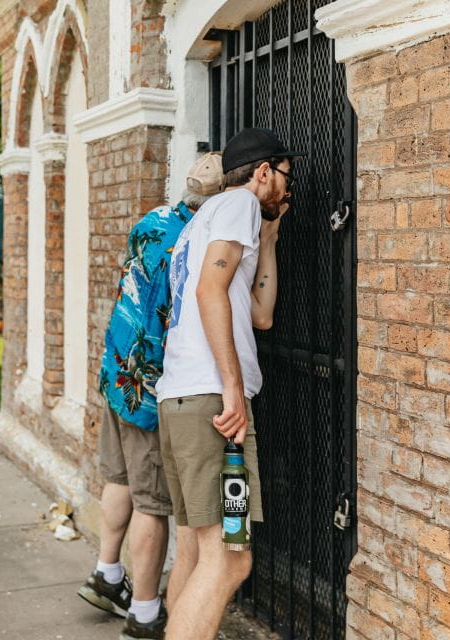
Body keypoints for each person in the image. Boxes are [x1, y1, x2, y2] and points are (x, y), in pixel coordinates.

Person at [155, 128, 302, 639]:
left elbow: (259, 315)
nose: (290, 186)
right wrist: (233, 388)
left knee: (196, 550)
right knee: (231, 561)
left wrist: (270, 240)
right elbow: (210, 289)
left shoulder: (205, 220)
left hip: (180, 399)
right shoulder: (238, 203)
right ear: (263, 172)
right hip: (213, 404)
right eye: (286, 174)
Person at [78, 152, 224, 640]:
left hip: (116, 368)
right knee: (152, 502)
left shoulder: (151, 220)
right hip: (149, 384)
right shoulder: (194, 240)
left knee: (117, 477)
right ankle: (143, 611)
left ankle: (107, 573)